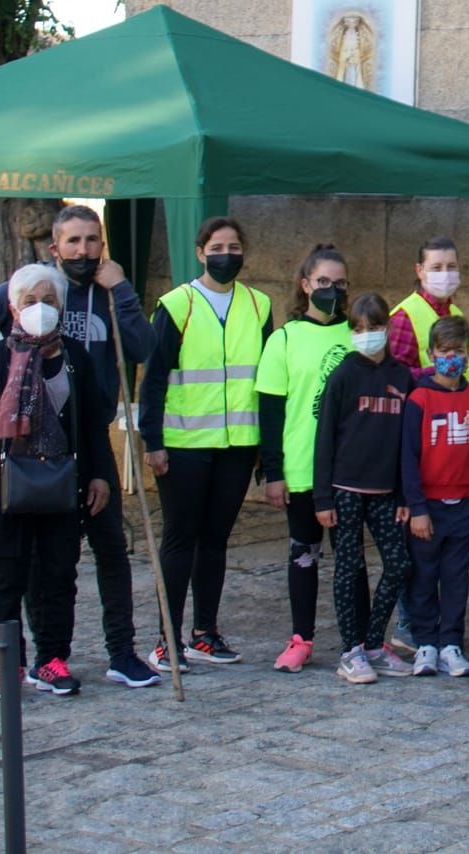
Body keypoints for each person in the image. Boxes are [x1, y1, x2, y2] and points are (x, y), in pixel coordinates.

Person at [0, 203, 158, 688]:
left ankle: (119, 652)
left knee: (106, 553)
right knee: (27, 564)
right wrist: (7, 380)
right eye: (74, 241)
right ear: (55, 247)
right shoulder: (32, 287)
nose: (84, 249)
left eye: (92, 240)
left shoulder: (106, 295)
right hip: (22, 458)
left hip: (86, 444)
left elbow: (145, 349)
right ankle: (30, 658)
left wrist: (121, 289)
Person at [0, 264, 114, 698]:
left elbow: (92, 423)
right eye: (31, 301)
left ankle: (52, 658)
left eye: (49, 301)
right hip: (8, 487)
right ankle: (10, 662)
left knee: (59, 575)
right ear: (13, 307)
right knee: (7, 576)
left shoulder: (75, 359)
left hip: (62, 484)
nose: (40, 309)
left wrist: (100, 474)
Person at [137, 216, 273, 671]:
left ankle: (205, 633)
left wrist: (265, 451)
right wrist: (152, 440)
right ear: (200, 252)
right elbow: (153, 378)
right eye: (218, 246)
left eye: (235, 246)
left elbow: (270, 380)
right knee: (180, 538)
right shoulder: (177, 305)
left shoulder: (258, 305)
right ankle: (166, 638)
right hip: (185, 443)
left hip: (237, 443)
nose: (227, 254)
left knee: (216, 541)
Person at [257, 243, 354, 674]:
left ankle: (358, 640)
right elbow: (271, 410)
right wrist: (273, 472)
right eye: (323, 282)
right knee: (303, 555)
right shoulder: (284, 339)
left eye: (339, 283)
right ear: (305, 285)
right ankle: (302, 637)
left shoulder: (356, 336)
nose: (331, 290)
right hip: (300, 469)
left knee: (350, 559)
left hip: (350, 470)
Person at [314, 291, 417, 684]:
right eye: (358, 329)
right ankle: (350, 650)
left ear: (387, 328)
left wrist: (406, 494)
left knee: (397, 564)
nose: (367, 335)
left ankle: (374, 642)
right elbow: (324, 437)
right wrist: (323, 496)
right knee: (348, 567)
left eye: (374, 327)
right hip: (345, 490)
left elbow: (409, 444)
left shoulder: (401, 376)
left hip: (387, 492)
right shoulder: (343, 375)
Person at [403, 316, 469, 678]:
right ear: (431, 353)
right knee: (423, 575)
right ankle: (425, 643)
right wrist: (416, 507)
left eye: (459, 351)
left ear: (468, 353)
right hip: (429, 506)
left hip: (464, 502)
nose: (452, 357)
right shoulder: (419, 399)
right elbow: (408, 457)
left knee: (456, 576)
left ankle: (451, 642)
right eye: (445, 351)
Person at [388, 235, 468, 374]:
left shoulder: (456, 313)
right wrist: (437, 373)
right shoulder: (404, 316)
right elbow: (395, 376)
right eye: (436, 268)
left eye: (451, 267)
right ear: (420, 271)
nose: (445, 274)